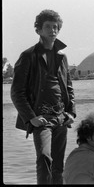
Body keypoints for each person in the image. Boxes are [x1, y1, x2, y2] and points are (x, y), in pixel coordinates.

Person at [10, 9, 76, 184]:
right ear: (38, 29)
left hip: (61, 117)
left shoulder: (62, 56)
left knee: (58, 164)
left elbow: (68, 88)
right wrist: (31, 118)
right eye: (48, 26)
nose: (52, 30)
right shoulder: (28, 56)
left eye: (56, 27)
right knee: (44, 158)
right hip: (41, 118)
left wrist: (71, 114)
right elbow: (17, 92)